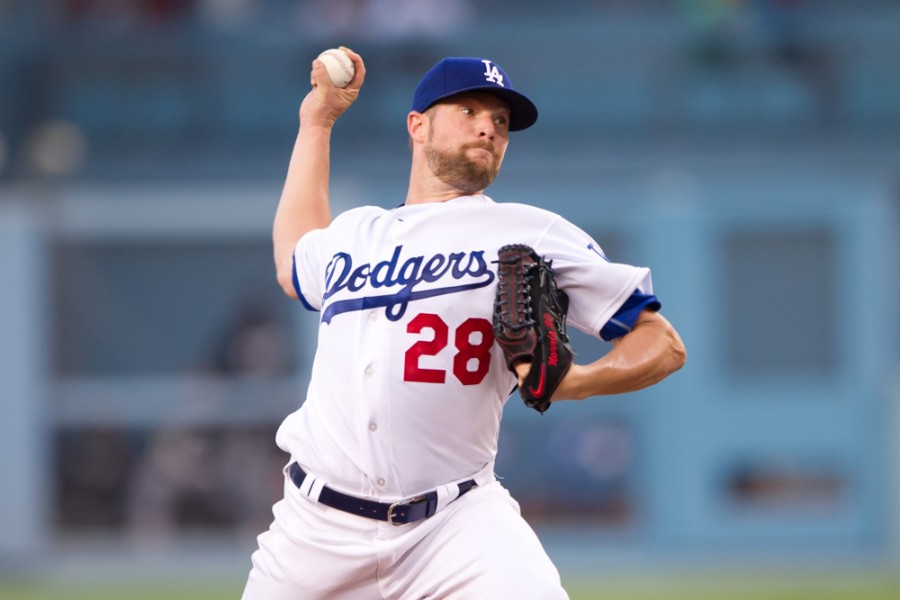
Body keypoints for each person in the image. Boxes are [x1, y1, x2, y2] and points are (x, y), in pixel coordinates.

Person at [241, 48, 686, 599]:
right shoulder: (357, 234)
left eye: (500, 122)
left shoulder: (530, 233)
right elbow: (294, 259)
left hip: (455, 525)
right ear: (418, 125)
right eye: (469, 111)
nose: (489, 129)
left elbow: (662, 342)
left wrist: (579, 382)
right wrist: (317, 121)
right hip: (316, 530)